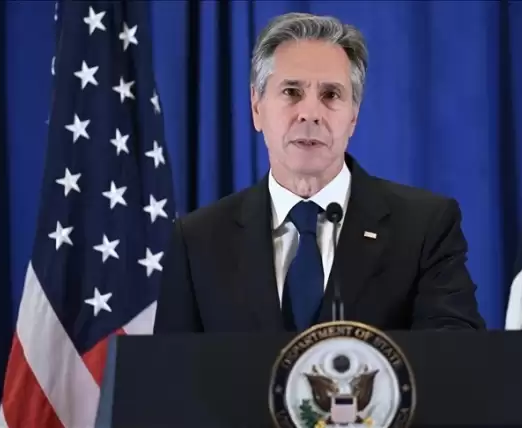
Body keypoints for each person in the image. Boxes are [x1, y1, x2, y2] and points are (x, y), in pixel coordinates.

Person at [153, 12, 485, 333]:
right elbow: (171, 368)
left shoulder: (425, 228)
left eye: (330, 94)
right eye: (291, 92)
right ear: (256, 107)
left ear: (353, 115)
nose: (310, 113)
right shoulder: (197, 242)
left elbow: (452, 356)